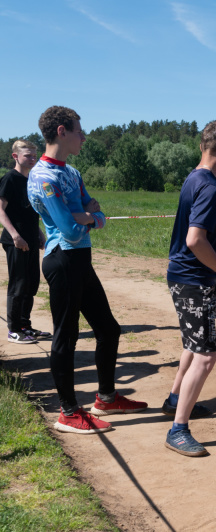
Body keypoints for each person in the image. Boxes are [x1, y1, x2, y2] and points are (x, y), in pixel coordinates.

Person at [27, 106, 147, 434]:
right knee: (66, 336)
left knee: (108, 330)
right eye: (80, 130)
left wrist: (87, 215)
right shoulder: (43, 176)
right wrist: (86, 215)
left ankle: (106, 397)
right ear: (62, 131)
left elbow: (97, 213)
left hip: (81, 259)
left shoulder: (72, 173)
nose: (84, 136)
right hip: (62, 260)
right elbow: (67, 227)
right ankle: (67, 412)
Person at [162, 120, 216, 457]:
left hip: (187, 275)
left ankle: (175, 399)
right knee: (206, 356)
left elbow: (196, 234)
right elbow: (194, 240)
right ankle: (178, 430)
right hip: (193, 279)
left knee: (193, 347)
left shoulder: (194, 178)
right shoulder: (210, 186)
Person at [0, 140, 49, 344]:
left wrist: (38, 232)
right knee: (18, 285)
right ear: (15, 157)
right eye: (27, 155)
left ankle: (25, 326)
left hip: (29, 239)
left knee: (31, 284)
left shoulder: (30, 180)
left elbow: (27, 212)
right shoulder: (10, 179)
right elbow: (0, 210)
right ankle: (13, 330)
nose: (32, 158)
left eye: (34, 155)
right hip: (15, 241)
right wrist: (15, 235)